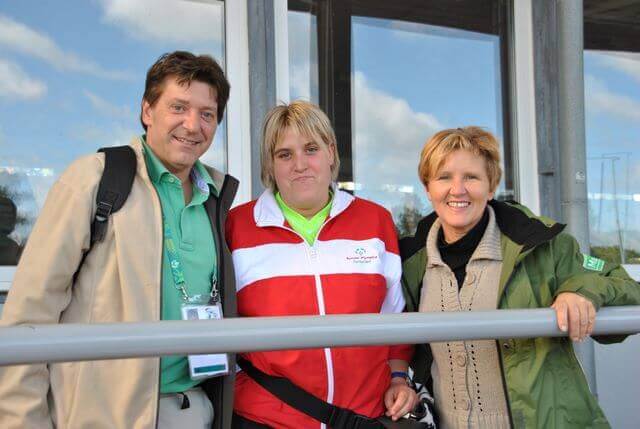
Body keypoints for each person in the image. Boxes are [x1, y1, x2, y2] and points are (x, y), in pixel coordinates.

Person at [0, 51, 238, 429]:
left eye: (207, 114)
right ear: (147, 110)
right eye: (178, 107)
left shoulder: (217, 198)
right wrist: (22, 422)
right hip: (102, 416)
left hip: (194, 408)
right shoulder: (93, 181)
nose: (193, 125)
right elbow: (28, 317)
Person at [400, 126, 640, 428]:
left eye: (471, 177)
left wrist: (580, 290)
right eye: (444, 177)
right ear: (428, 187)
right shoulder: (410, 261)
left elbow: (625, 285)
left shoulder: (542, 246)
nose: (457, 189)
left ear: (491, 187)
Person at [226, 100, 417, 428]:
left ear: (331, 152)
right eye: (284, 154)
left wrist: (399, 378)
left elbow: (394, 316)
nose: (299, 164)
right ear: (270, 165)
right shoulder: (237, 226)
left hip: (361, 417)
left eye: (311, 149)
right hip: (267, 418)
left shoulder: (375, 221)